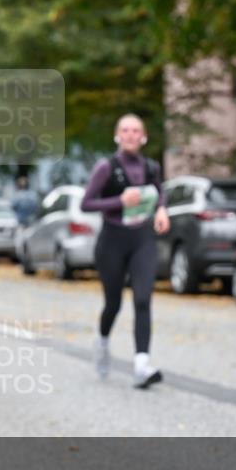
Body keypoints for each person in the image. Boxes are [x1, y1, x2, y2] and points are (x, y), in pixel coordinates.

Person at [81, 114, 171, 388]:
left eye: (135, 130)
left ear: (143, 136)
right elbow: (87, 204)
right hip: (112, 241)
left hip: (142, 238)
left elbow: (160, 192)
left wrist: (162, 210)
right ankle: (102, 341)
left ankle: (142, 365)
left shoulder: (151, 167)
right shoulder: (106, 168)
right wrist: (118, 200)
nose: (130, 135)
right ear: (117, 136)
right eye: (125, 130)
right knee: (114, 304)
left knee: (143, 299)